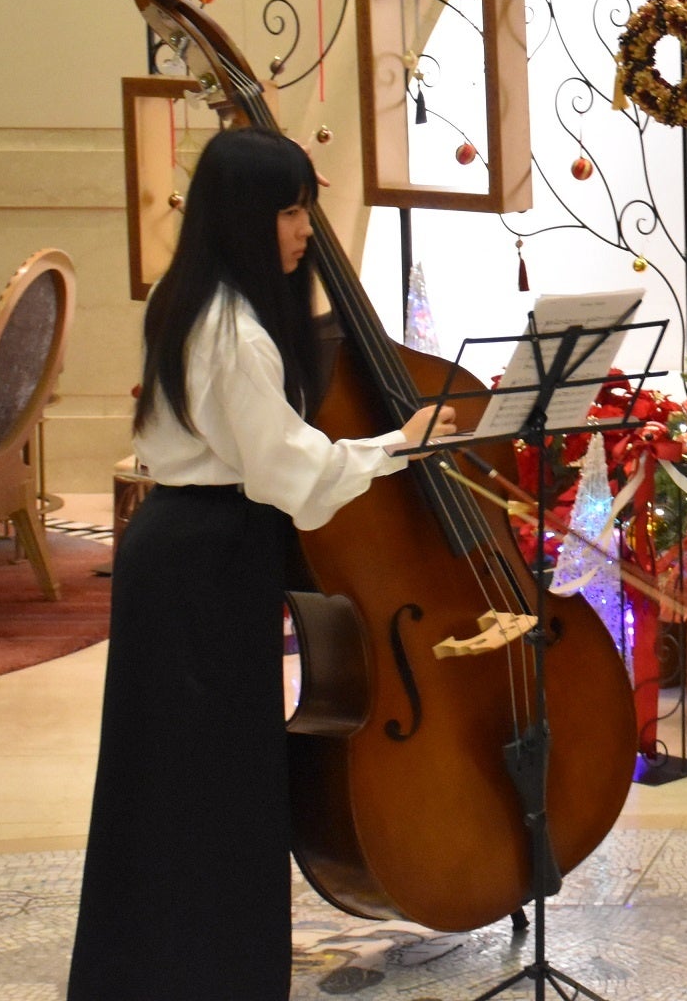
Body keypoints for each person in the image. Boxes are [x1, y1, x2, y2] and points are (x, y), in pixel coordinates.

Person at [69, 127, 453, 1001]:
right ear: (245, 216)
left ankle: (151, 973)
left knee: (163, 776)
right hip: (207, 557)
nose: (305, 230)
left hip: (180, 548)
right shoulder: (237, 332)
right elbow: (290, 474)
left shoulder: (190, 301)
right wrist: (399, 443)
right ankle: (213, 977)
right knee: (217, 781)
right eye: (288, 211)